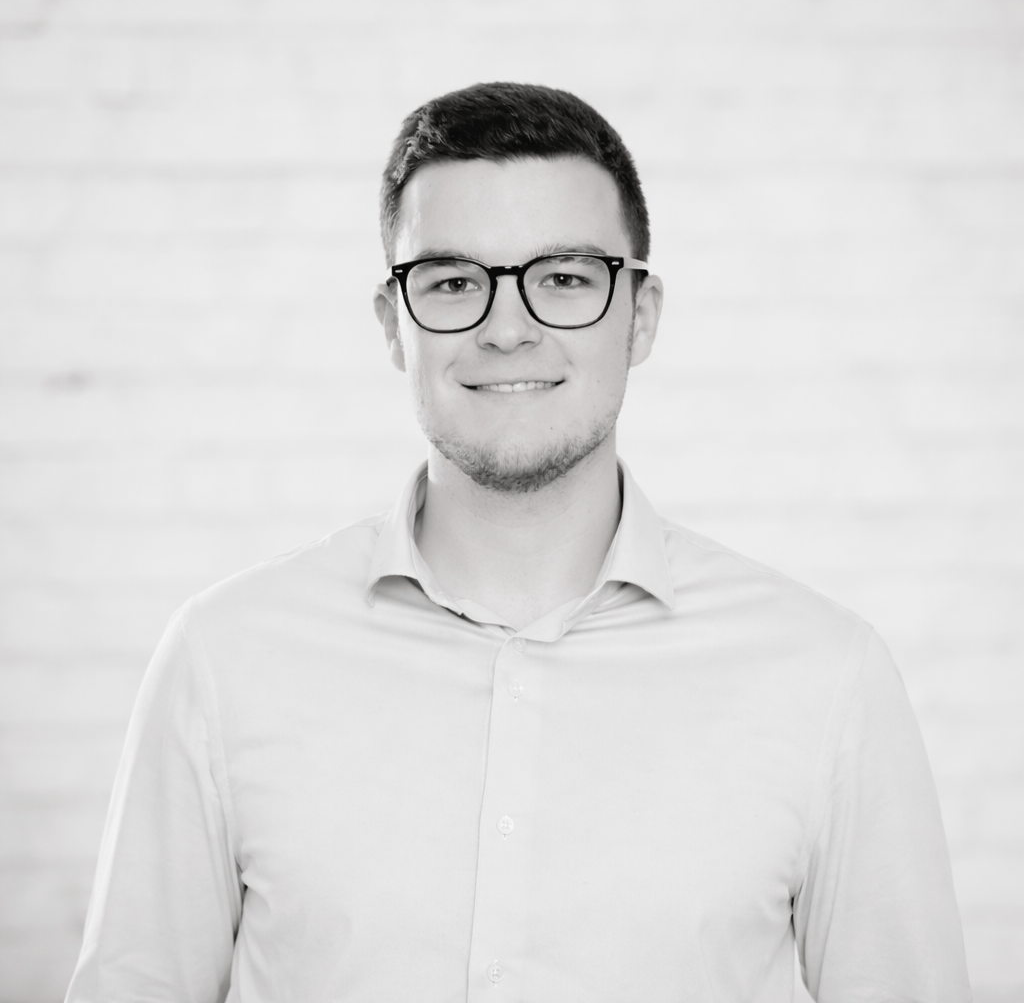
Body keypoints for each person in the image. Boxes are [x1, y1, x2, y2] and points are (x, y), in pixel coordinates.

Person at [65, 82, 971, 1003]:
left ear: (640, 316)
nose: (507, 329)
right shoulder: (224, 659)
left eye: (565, 278)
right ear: (393, 324)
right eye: (453, 282)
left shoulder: (824, 677)